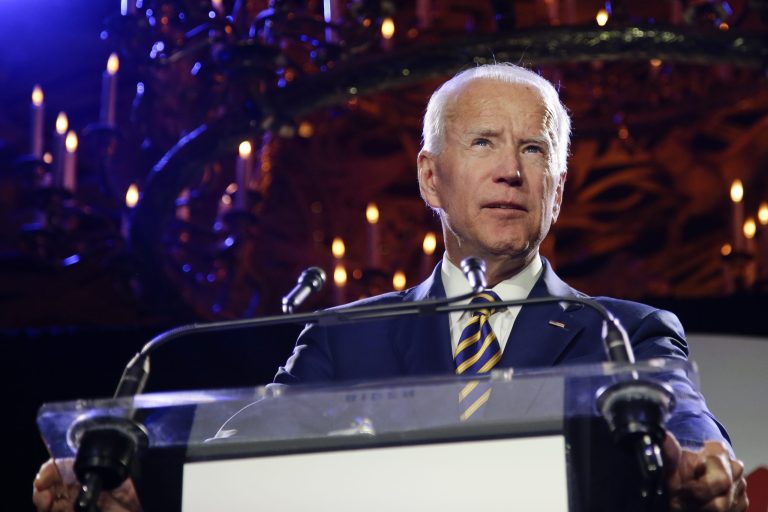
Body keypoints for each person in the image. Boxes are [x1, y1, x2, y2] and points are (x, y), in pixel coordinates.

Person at [33, 63, 748, 511]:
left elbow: (687, 425)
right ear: (430, 178)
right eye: (483, 143)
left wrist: (702, 464)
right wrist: (138, 484)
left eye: (534, 150)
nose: (511, 170)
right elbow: (233, 452)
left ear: (557, 188)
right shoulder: (349, 337)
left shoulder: (623, 331)